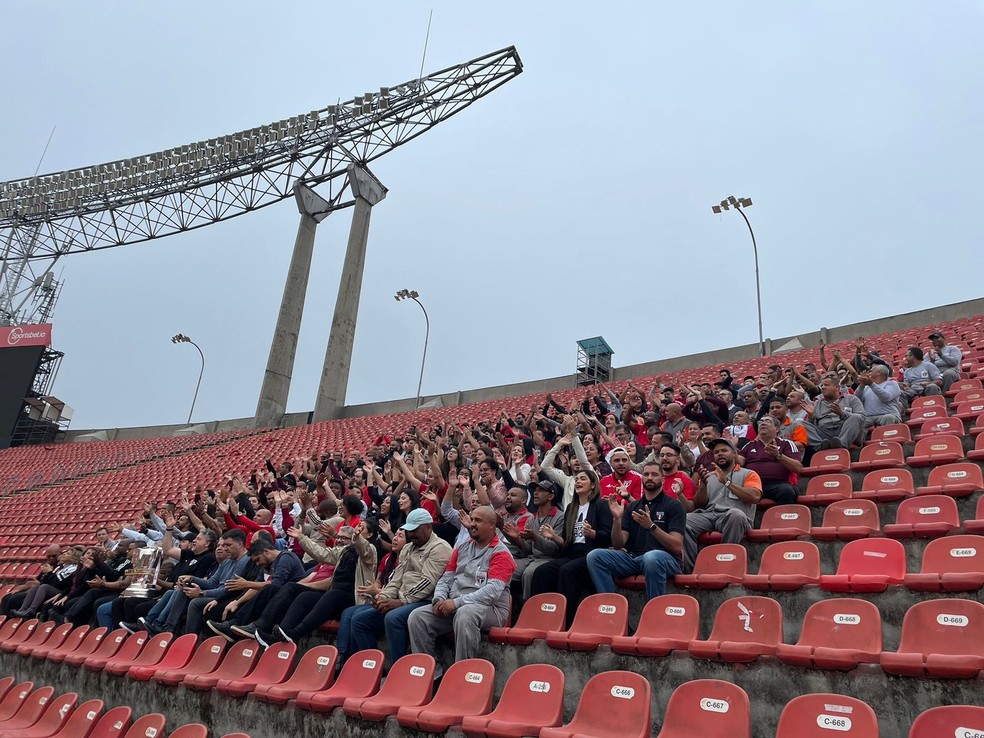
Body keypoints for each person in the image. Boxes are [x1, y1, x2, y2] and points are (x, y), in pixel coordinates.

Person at [407, 506, 515, 679]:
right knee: (417, 617)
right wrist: (439, 598)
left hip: (490, 609)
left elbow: (492, 593)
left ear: (492, 525)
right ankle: (431, 675)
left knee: (465, 614)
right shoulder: (462, 548)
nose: (472, 524)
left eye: (478, 520)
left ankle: (462, 676)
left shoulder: (501, 553)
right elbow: (446, 578)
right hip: (457, 605)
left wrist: (456, 603)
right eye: (472, 519)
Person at [339, 509, 452, 666]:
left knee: (393, 617)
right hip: (405, 598)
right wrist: (384, 597)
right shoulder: (408, 548)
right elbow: (396, 579)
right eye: (409, 530)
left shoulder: (439, 548)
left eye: (415, 530)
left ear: (428, 527)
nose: (411, 534)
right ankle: (374, 669)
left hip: (426, 600)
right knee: (359, 620)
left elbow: (428, 582)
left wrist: (401, 601)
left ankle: (397, 668)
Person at [587, 461, 685, 600]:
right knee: (595, 556)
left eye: (654, 474)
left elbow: (676, 546)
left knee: (651, 557)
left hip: (666, 559)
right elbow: (618, 544)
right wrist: (616, 519)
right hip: (635, 559)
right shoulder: (633, 506)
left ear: (662, 480)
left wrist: (651, 526)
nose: (649, 477)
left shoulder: (674, 505)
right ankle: (612, 607)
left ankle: (655, 611)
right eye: (646, 474)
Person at [528, 469, 613, 627]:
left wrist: (593, 533)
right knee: (542, 572)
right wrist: (553, 536)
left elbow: (609, 537)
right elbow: (566, 542)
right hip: (572, 554)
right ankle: (538, 620)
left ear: (593, 485)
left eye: (583, 479)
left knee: (567, 571)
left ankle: (565, 622)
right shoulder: (571, 508)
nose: (578, 482)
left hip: (591, 555)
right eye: (577, 479)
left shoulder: (601, 505)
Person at [269, 522, 377, 644]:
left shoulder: (370, 551)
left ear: (369, 534)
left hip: (354, 600)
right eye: (358, 526)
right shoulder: (344, 550)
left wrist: (358, 538)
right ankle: (280, 635)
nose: (357, 529)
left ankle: (296, 633)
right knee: (305, 597)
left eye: (362, 528)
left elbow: (364, 549)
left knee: (334, 594)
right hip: (336, 598)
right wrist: (301, 538)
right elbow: (321, 554)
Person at [206, 538, 306, 641]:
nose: (257, 564)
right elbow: (255, 586)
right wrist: (237, 602)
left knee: (269, 588)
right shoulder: (266, 564)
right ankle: (232, 626)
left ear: (266, 552)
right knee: (244, 600)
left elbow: (276, 584)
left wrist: (246, 584)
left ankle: (251, 626)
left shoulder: (286, 557)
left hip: (293, 598)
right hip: (277, 598)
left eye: (258, 559)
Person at [685, 438, 762, 569]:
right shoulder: (708, 476)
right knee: (684, 520)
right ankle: (691, 568)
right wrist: (703, 486)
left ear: (734, 454)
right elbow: (699, 504)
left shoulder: (749, 474)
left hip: (733, 517)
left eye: (724, 450)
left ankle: (724, 563)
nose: (720, 454)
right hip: (710, 515)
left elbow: (755, 497)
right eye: (716, 452)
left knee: (735, 514)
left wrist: (726, 482)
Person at [511, 480, 564, 602]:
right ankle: (506, 607)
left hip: (548, 559)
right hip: (531, 558)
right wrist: (516, 539)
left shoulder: (560, 517)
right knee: (506, 567)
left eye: (541, 490)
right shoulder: (531, 519)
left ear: (551, 496)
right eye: (535, 490)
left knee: (529, 573)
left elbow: (555, 549)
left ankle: (529, 609)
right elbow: (528, 550)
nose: (535, 493)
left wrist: (535, 537)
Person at [740, 416, 803, 505]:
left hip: (778, 484)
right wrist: (732, 449)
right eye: (761, 421)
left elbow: (797, 467)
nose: (763, 423)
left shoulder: (786, 443)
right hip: (753, 484)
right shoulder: (749, 445)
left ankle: (783, 518)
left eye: (767, 421)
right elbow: (739, 462)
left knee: (787, 491)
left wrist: (779, 456)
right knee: (735, 491)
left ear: (777, 428)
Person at [803, 375, 866, 450]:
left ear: (837, 388)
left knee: (856, 417)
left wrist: (842, 414)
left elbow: (862, 418)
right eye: (822, 385)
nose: (823, 387)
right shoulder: (817, 403)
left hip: (844, 431)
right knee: (800, 424)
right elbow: (811, 426)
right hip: (825, 434)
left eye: (826, 385)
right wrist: (810, 416)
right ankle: (820, 446)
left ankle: (841, 445)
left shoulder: (852, 399)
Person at [658, 442, 696, 512]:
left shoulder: (684, 478)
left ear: (678, 459)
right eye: (662, 455)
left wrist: (680, 494)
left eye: (669, 455)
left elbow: (690, 509)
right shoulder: (655, 478)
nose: (664, 458)